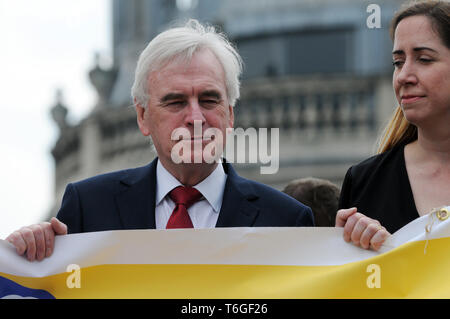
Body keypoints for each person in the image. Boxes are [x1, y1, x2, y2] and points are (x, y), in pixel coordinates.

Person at [6, 19, 313, 262]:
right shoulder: (88, 208)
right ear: (143, 117)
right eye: (176, 102)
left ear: (230, 115)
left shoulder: (287, 220)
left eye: (209, 99)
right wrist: (23, 256)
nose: (195, 117)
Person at [336, 1, 450, 251]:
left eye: (424, 59)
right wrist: (345, 246)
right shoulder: (365, 181)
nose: (404, 76)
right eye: (398, 62)